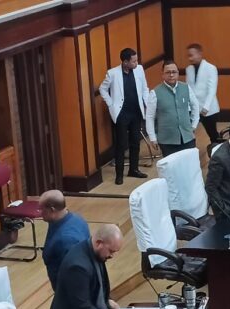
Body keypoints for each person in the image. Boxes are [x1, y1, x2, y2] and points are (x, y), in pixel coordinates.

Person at [99, 48, 149, 185]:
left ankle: (134, 169)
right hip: (122, 114)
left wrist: (146, 103)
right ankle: (119, 174)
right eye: (134, 61)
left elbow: (144, 88)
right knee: (121, 145)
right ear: (125, 62)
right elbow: (102, 89)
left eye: (137, 60)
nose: (136, 63)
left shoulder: (139, 69)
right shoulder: (112, 73)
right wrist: (111, 104)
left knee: (135, 142)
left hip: (136, 112)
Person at [145, 60, 199, 157]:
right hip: (167, 140)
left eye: (174, 72)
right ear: (163, 74)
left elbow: (195, 106)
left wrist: (193, 125)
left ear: (178, 73)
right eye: (168, 72)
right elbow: (149, 117)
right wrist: (153, 138)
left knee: (189, 163)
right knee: (172, 165)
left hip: (187, 137)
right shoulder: (155, 93)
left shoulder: (186, 88)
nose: (171, 75)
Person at [39, 190, 90, 290]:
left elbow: (74, 275)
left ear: (52, 210)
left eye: (42, 209)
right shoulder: (76, 219)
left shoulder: (67, 240)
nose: (40, 213)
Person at [185, 43, 220, 145]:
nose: (190, 58)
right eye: (188, 56)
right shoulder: (188, 69)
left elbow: (212, 89)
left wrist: (206, 107)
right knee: (189, 132)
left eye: (192, 55)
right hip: (193, 107)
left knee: (212, 133)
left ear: (200, 54)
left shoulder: (211, 68)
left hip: (208, 108)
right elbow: (188, 88)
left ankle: (216, 150)